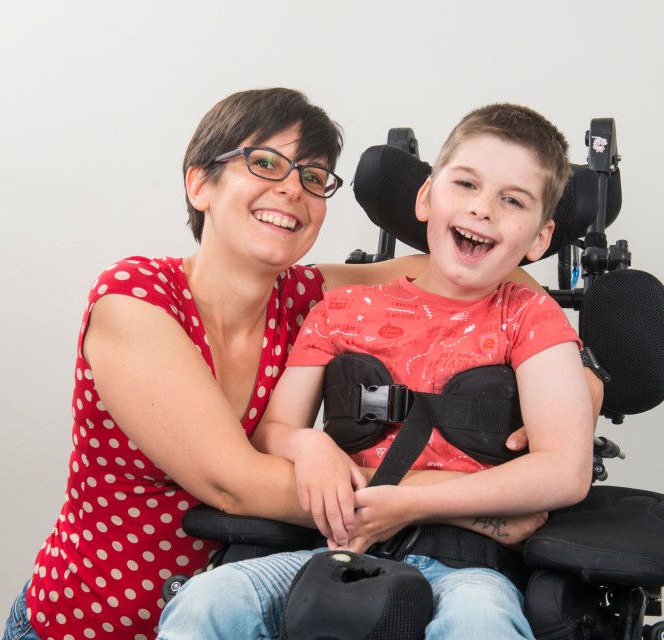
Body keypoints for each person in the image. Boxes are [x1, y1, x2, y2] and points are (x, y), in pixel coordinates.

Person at [2, 88, 558, 640]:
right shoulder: (136, 298)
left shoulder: (308, 299)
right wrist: (459, 505)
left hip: (268, 608)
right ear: (200, 184)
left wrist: (575, 387)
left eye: (313, 178)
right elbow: (234, 484)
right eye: (264, 163)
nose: (292, 188)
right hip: (88, 623)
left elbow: (487, 278)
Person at [156, 102, 596, 640]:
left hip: (467, 570)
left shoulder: (528, 317)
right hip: (332, 555)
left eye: (512, 201)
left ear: (539, 239)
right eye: (466, 185)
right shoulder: (341, 310)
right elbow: (274, 431)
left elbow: (565, 471)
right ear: (425, 198)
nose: (483, 210)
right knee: (209, 601)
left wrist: (407, 502)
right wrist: (309, 447)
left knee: (481, 624)